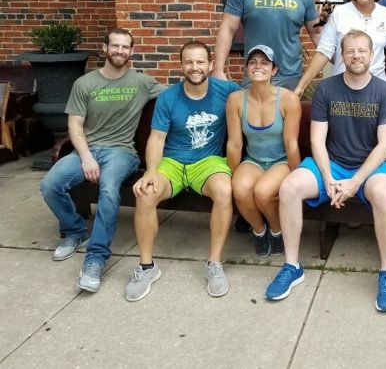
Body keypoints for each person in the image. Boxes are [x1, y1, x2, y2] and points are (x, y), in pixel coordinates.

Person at [265, 30, 386, 312]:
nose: (356, 56)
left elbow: (385, 145)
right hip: (333, 162)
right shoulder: (326, 89)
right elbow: (317, 140)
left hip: (371, 167)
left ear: (372, 54)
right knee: (289, 187)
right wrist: (327, 178)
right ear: (341, 55)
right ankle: (291, 266)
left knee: (383, 195)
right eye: (350, 51)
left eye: (362, 51)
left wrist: (354, 182)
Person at [40, 29, 164, 293]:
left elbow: (181, 93)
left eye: (125, 47)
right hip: (86, 151)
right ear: (105, 48)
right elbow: (75, 126)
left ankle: (95, 259)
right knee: (50, 184)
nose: (120, 51)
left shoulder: (142, 82)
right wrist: (86, 158)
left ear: (132, 51)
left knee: (108, 189)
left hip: (122, 152)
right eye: (115, 45)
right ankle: (75, 231)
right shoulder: (84, 84)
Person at [125, 41, 239, 301]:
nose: (194, 67)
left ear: (210, 64)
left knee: (224, 190)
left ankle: (214, 263)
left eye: (200, 62)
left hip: (208, 161)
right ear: (181, 66)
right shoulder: (168, 97)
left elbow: (255, 99)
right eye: (189, 62)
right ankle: (146, 267)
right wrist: (150, 171)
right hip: (172, 162)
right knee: (145, 194)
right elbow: (157, 138)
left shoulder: (228, 91)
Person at [226, 45, 301, 257]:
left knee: (262, 192)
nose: (258, 66)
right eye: (253, 62)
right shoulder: (236, 99)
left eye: (264, 63)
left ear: (274, 70)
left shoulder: (288, 99)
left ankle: (277, 231)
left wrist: (296, 177)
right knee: (240, 189)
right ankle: (259, 231)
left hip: (281, 160)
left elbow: (292, 144)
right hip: (254, 159)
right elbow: (234, 144)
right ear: (247, 68)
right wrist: (233, 175)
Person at [294, 0, 386, 96]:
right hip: (342, 88)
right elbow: (325, 50)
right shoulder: (340, 13)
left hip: (376, 90)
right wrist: (301, 86)